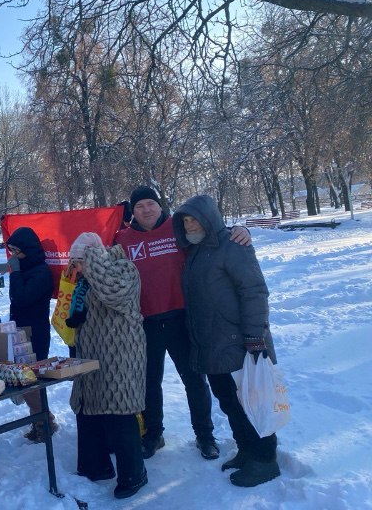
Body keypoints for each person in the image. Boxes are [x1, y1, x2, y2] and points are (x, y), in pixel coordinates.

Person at [113, 185, 253, 460]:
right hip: (144, 323)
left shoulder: (178, 229)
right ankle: (154, 434)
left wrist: (241, 230)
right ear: (133, 211)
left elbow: (213, 233)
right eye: (140, 206)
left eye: (150, 204)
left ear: (160, 205)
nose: (146, 210)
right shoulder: (122, 239)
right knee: (149, 383)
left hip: (182, 318)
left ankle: (204, 435)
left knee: (194, 380)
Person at [172, 194, 280, 487]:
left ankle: (265, 460)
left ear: (209, 218)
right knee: (231, 403)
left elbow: (254, 290)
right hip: (211, 344)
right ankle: (246, 450)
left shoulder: (233, 245)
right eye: (185, 220)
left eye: (194, 218)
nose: (190, 224)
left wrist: (255, 336)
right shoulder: (194, 251)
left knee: (252, 402)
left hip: (241, 343)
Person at [68, 233, 148, 499]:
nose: (76, 268)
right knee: (89, 406)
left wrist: (90, 262)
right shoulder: (85, 277)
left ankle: (134, 474)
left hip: (121, 353)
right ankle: (96, 466)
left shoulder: (124, 268)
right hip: (92, 352)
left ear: (92, 255)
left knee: (119, 410)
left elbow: (114, 294)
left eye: (79, 261)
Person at [5, 226, 58, 441]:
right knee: (26, 379)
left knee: (30, 380)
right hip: (21, 331)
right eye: (12, 252)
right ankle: (40, 419)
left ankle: (45, 421)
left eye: (18, 252)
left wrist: (16, 273)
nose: (14, 256)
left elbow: (21, 297)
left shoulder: (41, 271)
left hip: (35, 333)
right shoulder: (28, 269)